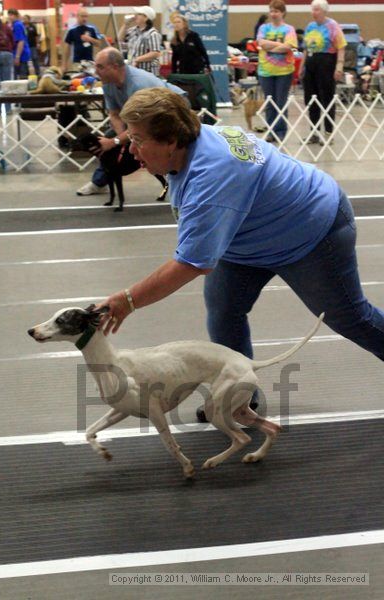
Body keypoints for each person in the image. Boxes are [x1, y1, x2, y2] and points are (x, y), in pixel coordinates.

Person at [94, 88, 384, 424]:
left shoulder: (212, 179)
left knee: (351, 318)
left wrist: (127, 300)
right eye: (129, 138)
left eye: (139, 140)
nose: (131, 149)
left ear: (171, 140)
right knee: (224, 311)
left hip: (312, 232)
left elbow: (191, 264)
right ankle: (240, 397)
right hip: (246, 238)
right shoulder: (193, 140)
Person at [76, 47, 187, 197]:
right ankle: (100, 182)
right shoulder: (108, 83)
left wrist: (115, 141)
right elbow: (114, 114)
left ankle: (181, 180)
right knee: (106, 144)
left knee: (164, 145)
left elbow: (145, 124)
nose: (96, 72)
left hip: (174, 110)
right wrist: (118, 138)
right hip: (139, 117)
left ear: (115, 67)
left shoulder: (138, 84)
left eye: (100, 67)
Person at [301, 0, 346, 145]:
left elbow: (341, 47)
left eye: (317, 10)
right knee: (311, 99)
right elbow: (306, 49)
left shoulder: (332, 25)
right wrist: (302, 67)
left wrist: (339, 66)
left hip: (326, 63)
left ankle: (328, 133)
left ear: (324, 11)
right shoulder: (310, 26)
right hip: (311, 63)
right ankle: (314, 133)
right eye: (313, 10)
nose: (314, 13)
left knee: (326, 98)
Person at [257, 0, 297, 142]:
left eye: (277, 11)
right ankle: (270, 131)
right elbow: (261, 43)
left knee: (281, 102)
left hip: (284, 72)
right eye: (271, 11)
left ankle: (280, 132)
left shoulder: (289, 29)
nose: (273, 14)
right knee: (269, 103)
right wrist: (279, 45)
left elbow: (289, 47)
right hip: (265, 71)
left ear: (283, 13)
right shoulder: (263, 28)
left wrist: (271, 46)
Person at [118, 7, 161, 76]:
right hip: (134, 70)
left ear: (146, 18)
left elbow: (155, 53)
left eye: (138, 14)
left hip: (147, 71)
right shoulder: (133, 30)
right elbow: (119, 39)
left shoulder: (152, 33)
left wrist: (137, 59)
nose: (135, 16)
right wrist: (125, 24)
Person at [61, 8, 102, 74]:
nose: (84, 19)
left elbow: (99, 44)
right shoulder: (72, 30)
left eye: (86, 16)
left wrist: (90, 39)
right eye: (82, 16)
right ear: (77, 16)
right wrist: (64, 64)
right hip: (77, 62)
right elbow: (67, 48)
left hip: (90, 62)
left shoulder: (92, 29)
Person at [7, 8, 31, 79]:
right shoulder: (17, 24)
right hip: (21, 53)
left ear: (16, 16)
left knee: (22, 77)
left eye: (12, 15)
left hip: (21, 54)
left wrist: (17, 57)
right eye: (9, 15)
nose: (10, 17)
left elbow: (21, 41)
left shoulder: (17, 25)